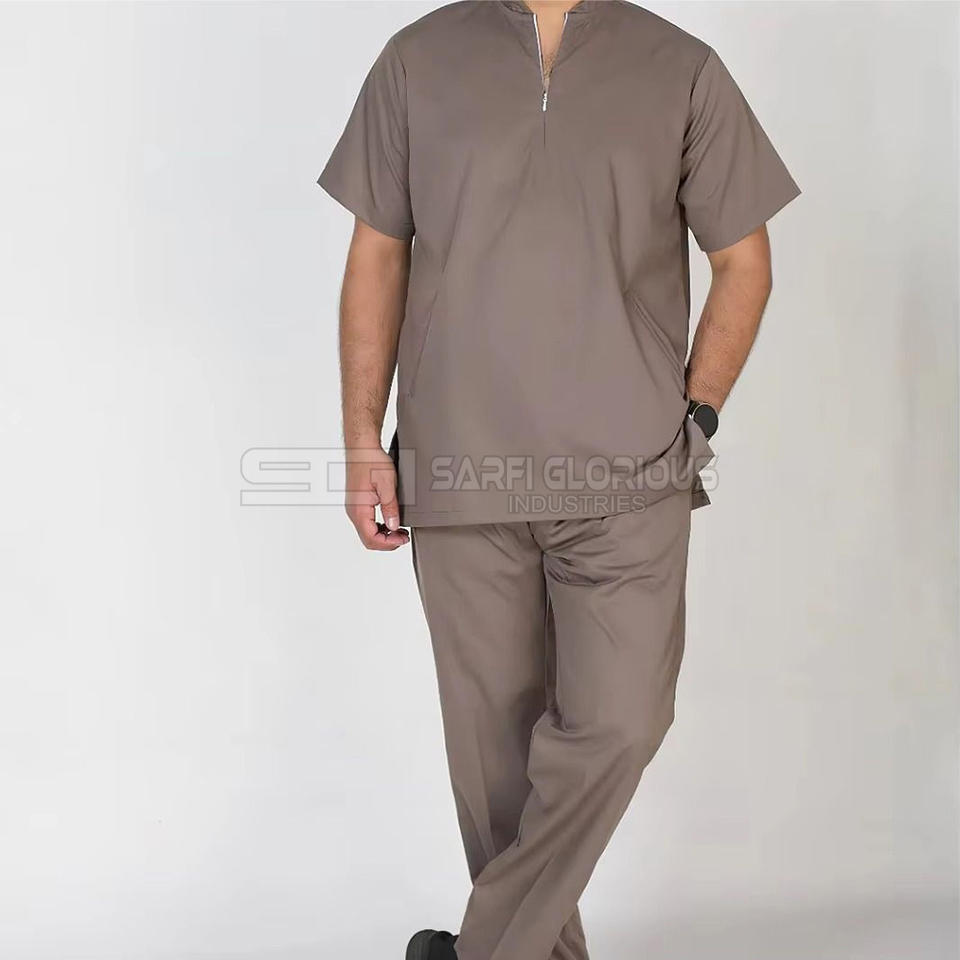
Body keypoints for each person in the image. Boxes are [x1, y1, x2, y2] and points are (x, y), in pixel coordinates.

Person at [318, 1, 799, 958]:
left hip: (632, 470)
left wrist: (697, 414)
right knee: (494, 767)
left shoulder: (681, 66)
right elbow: (378, 253)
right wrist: (362, 438)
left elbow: (744, 262)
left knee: (623, 722)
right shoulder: (417, 59)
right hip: (459, 462)